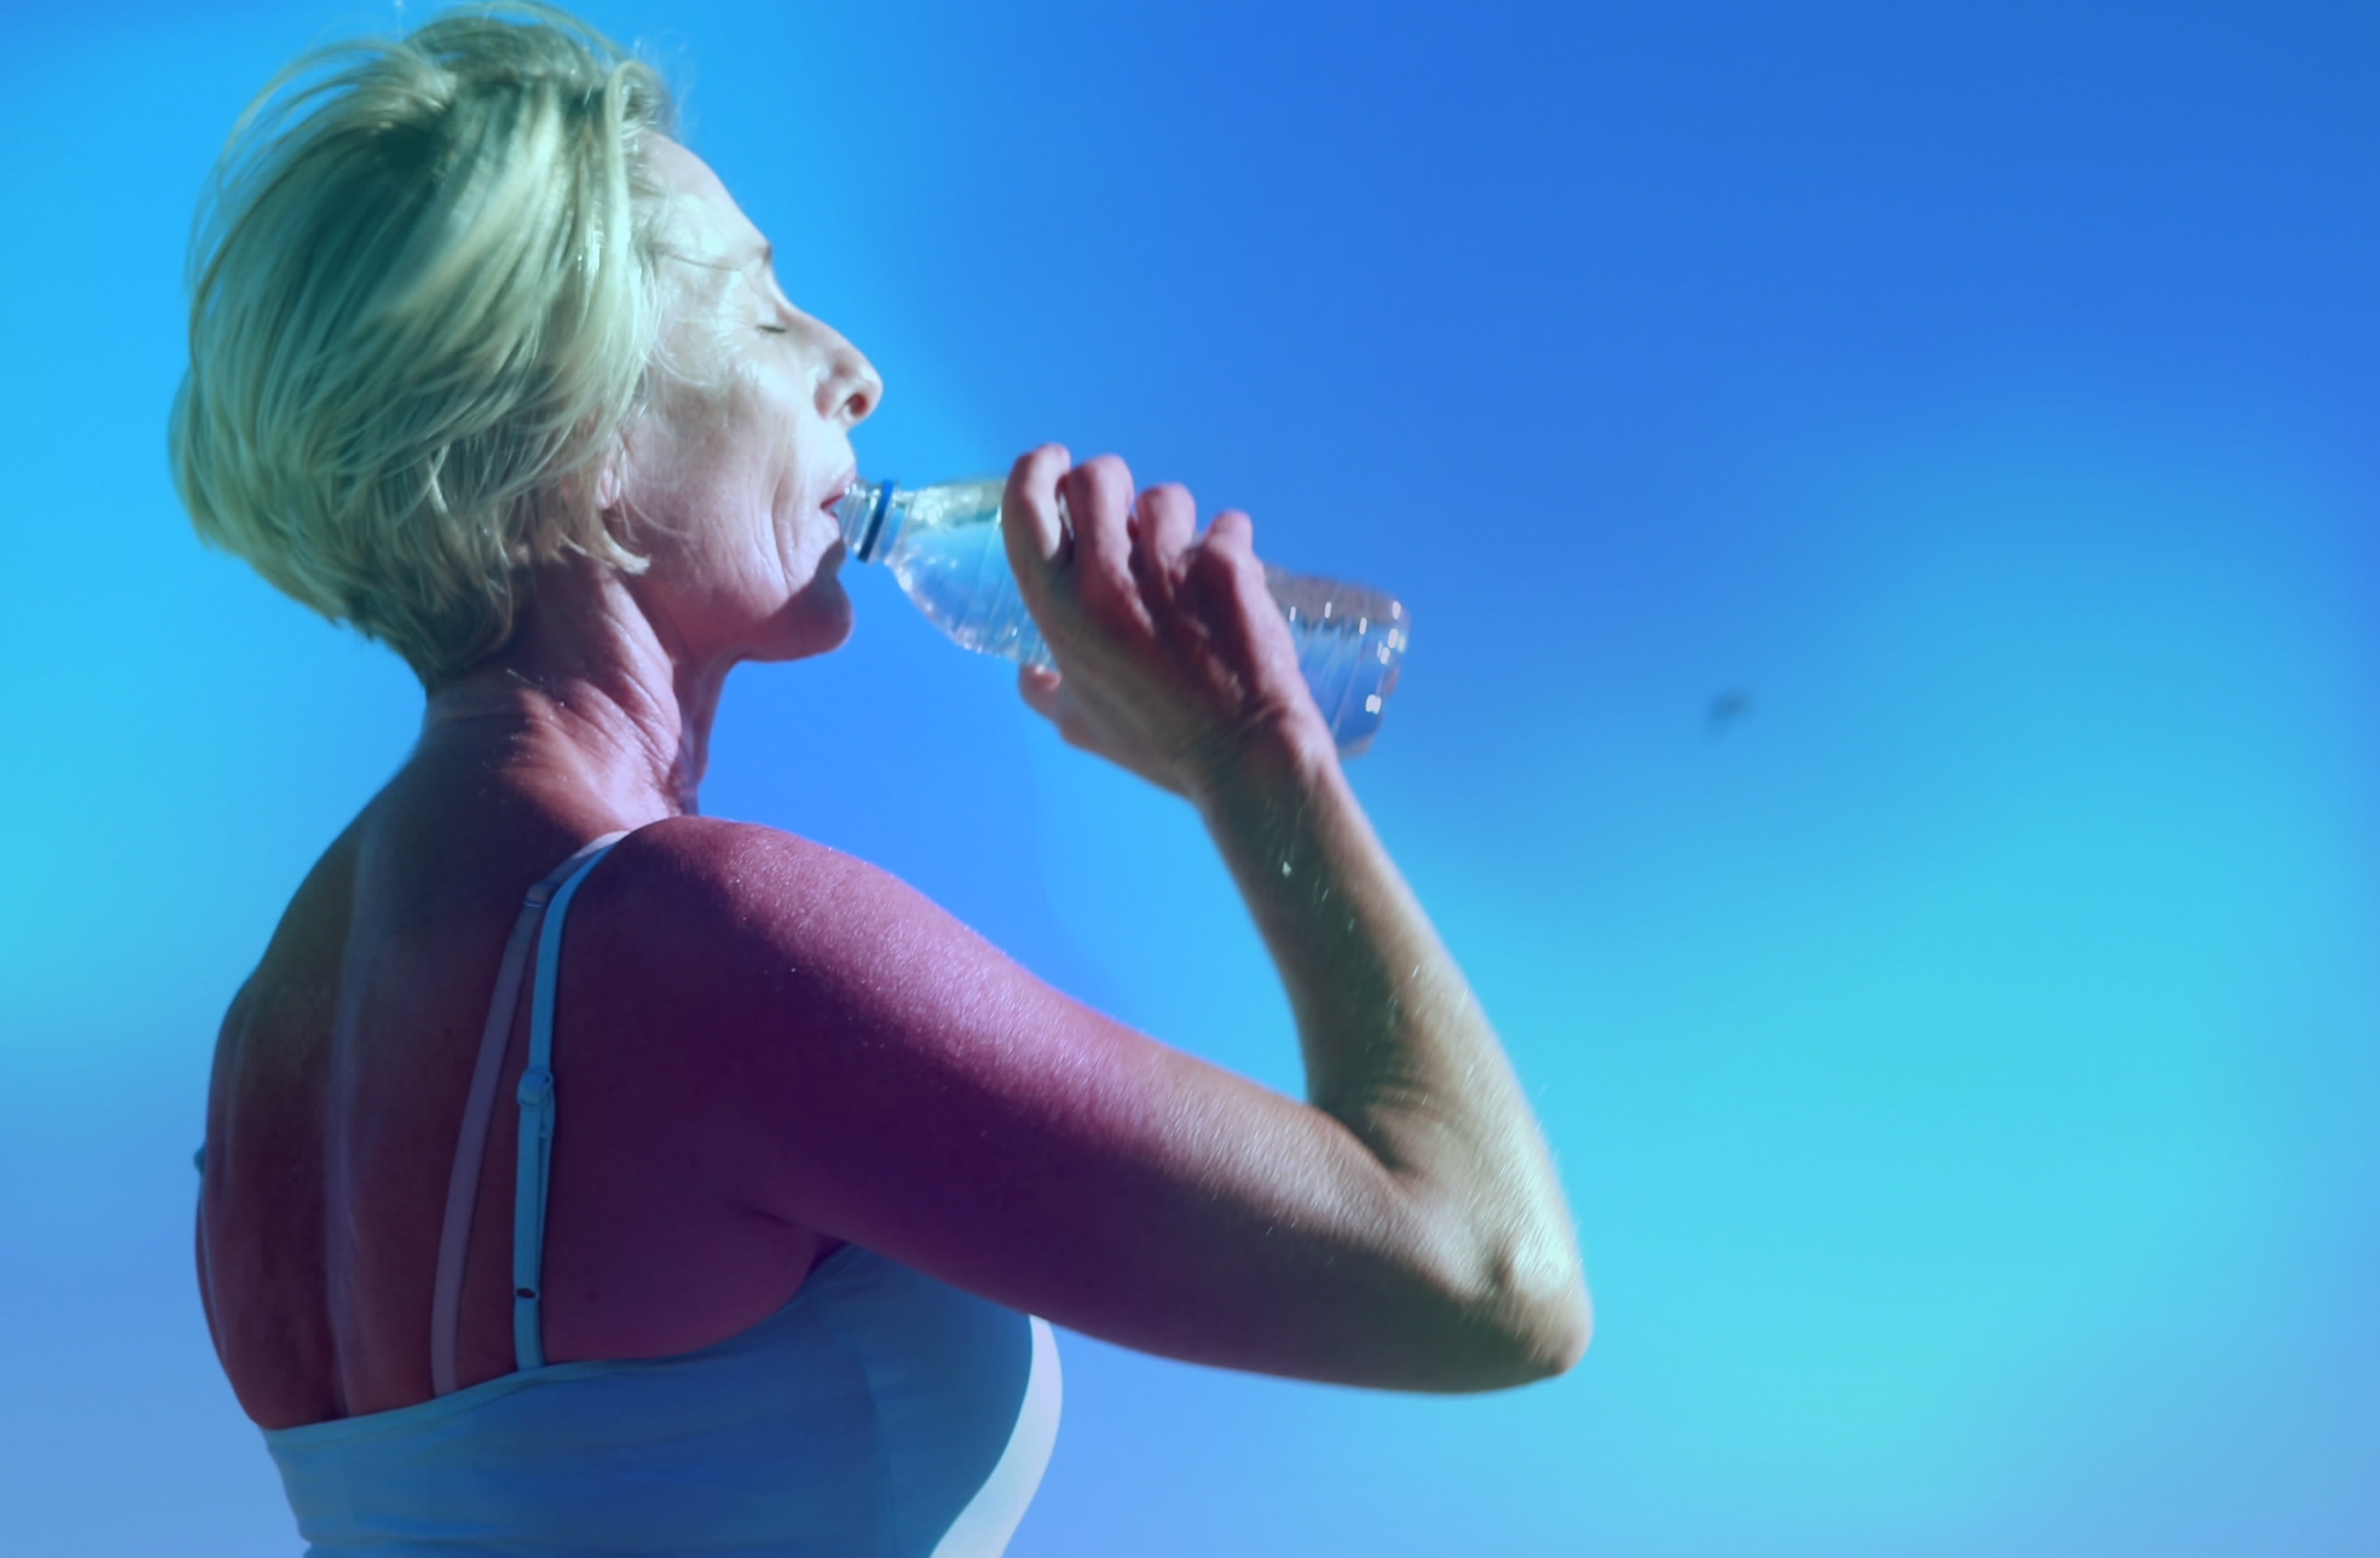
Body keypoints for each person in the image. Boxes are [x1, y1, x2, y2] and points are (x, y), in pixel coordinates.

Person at [172, 8, 1588, 1554]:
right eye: (760, 307)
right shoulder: (701, 940)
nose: (852, 369)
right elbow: (1486, 1281)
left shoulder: (268, 1045)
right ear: (568, 432)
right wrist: (1257, 761)